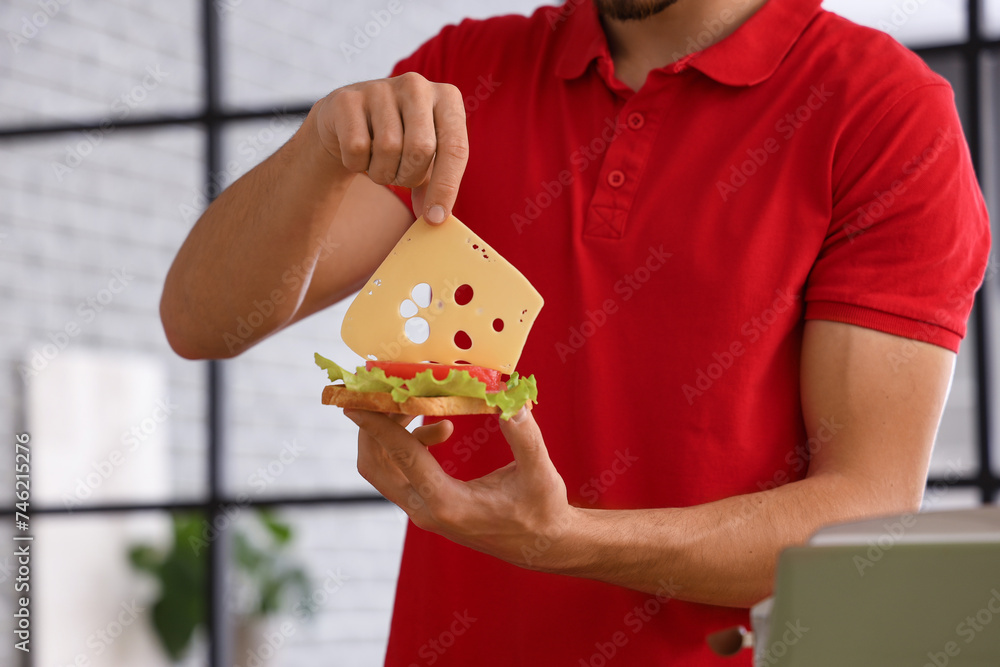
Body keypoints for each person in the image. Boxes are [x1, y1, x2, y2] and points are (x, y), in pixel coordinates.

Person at [160, 0, 991, 663]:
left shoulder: (884, 112)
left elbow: (864, 513)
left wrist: (567, 541)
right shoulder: (464, 72)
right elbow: (201, 318)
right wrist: (319, 147)